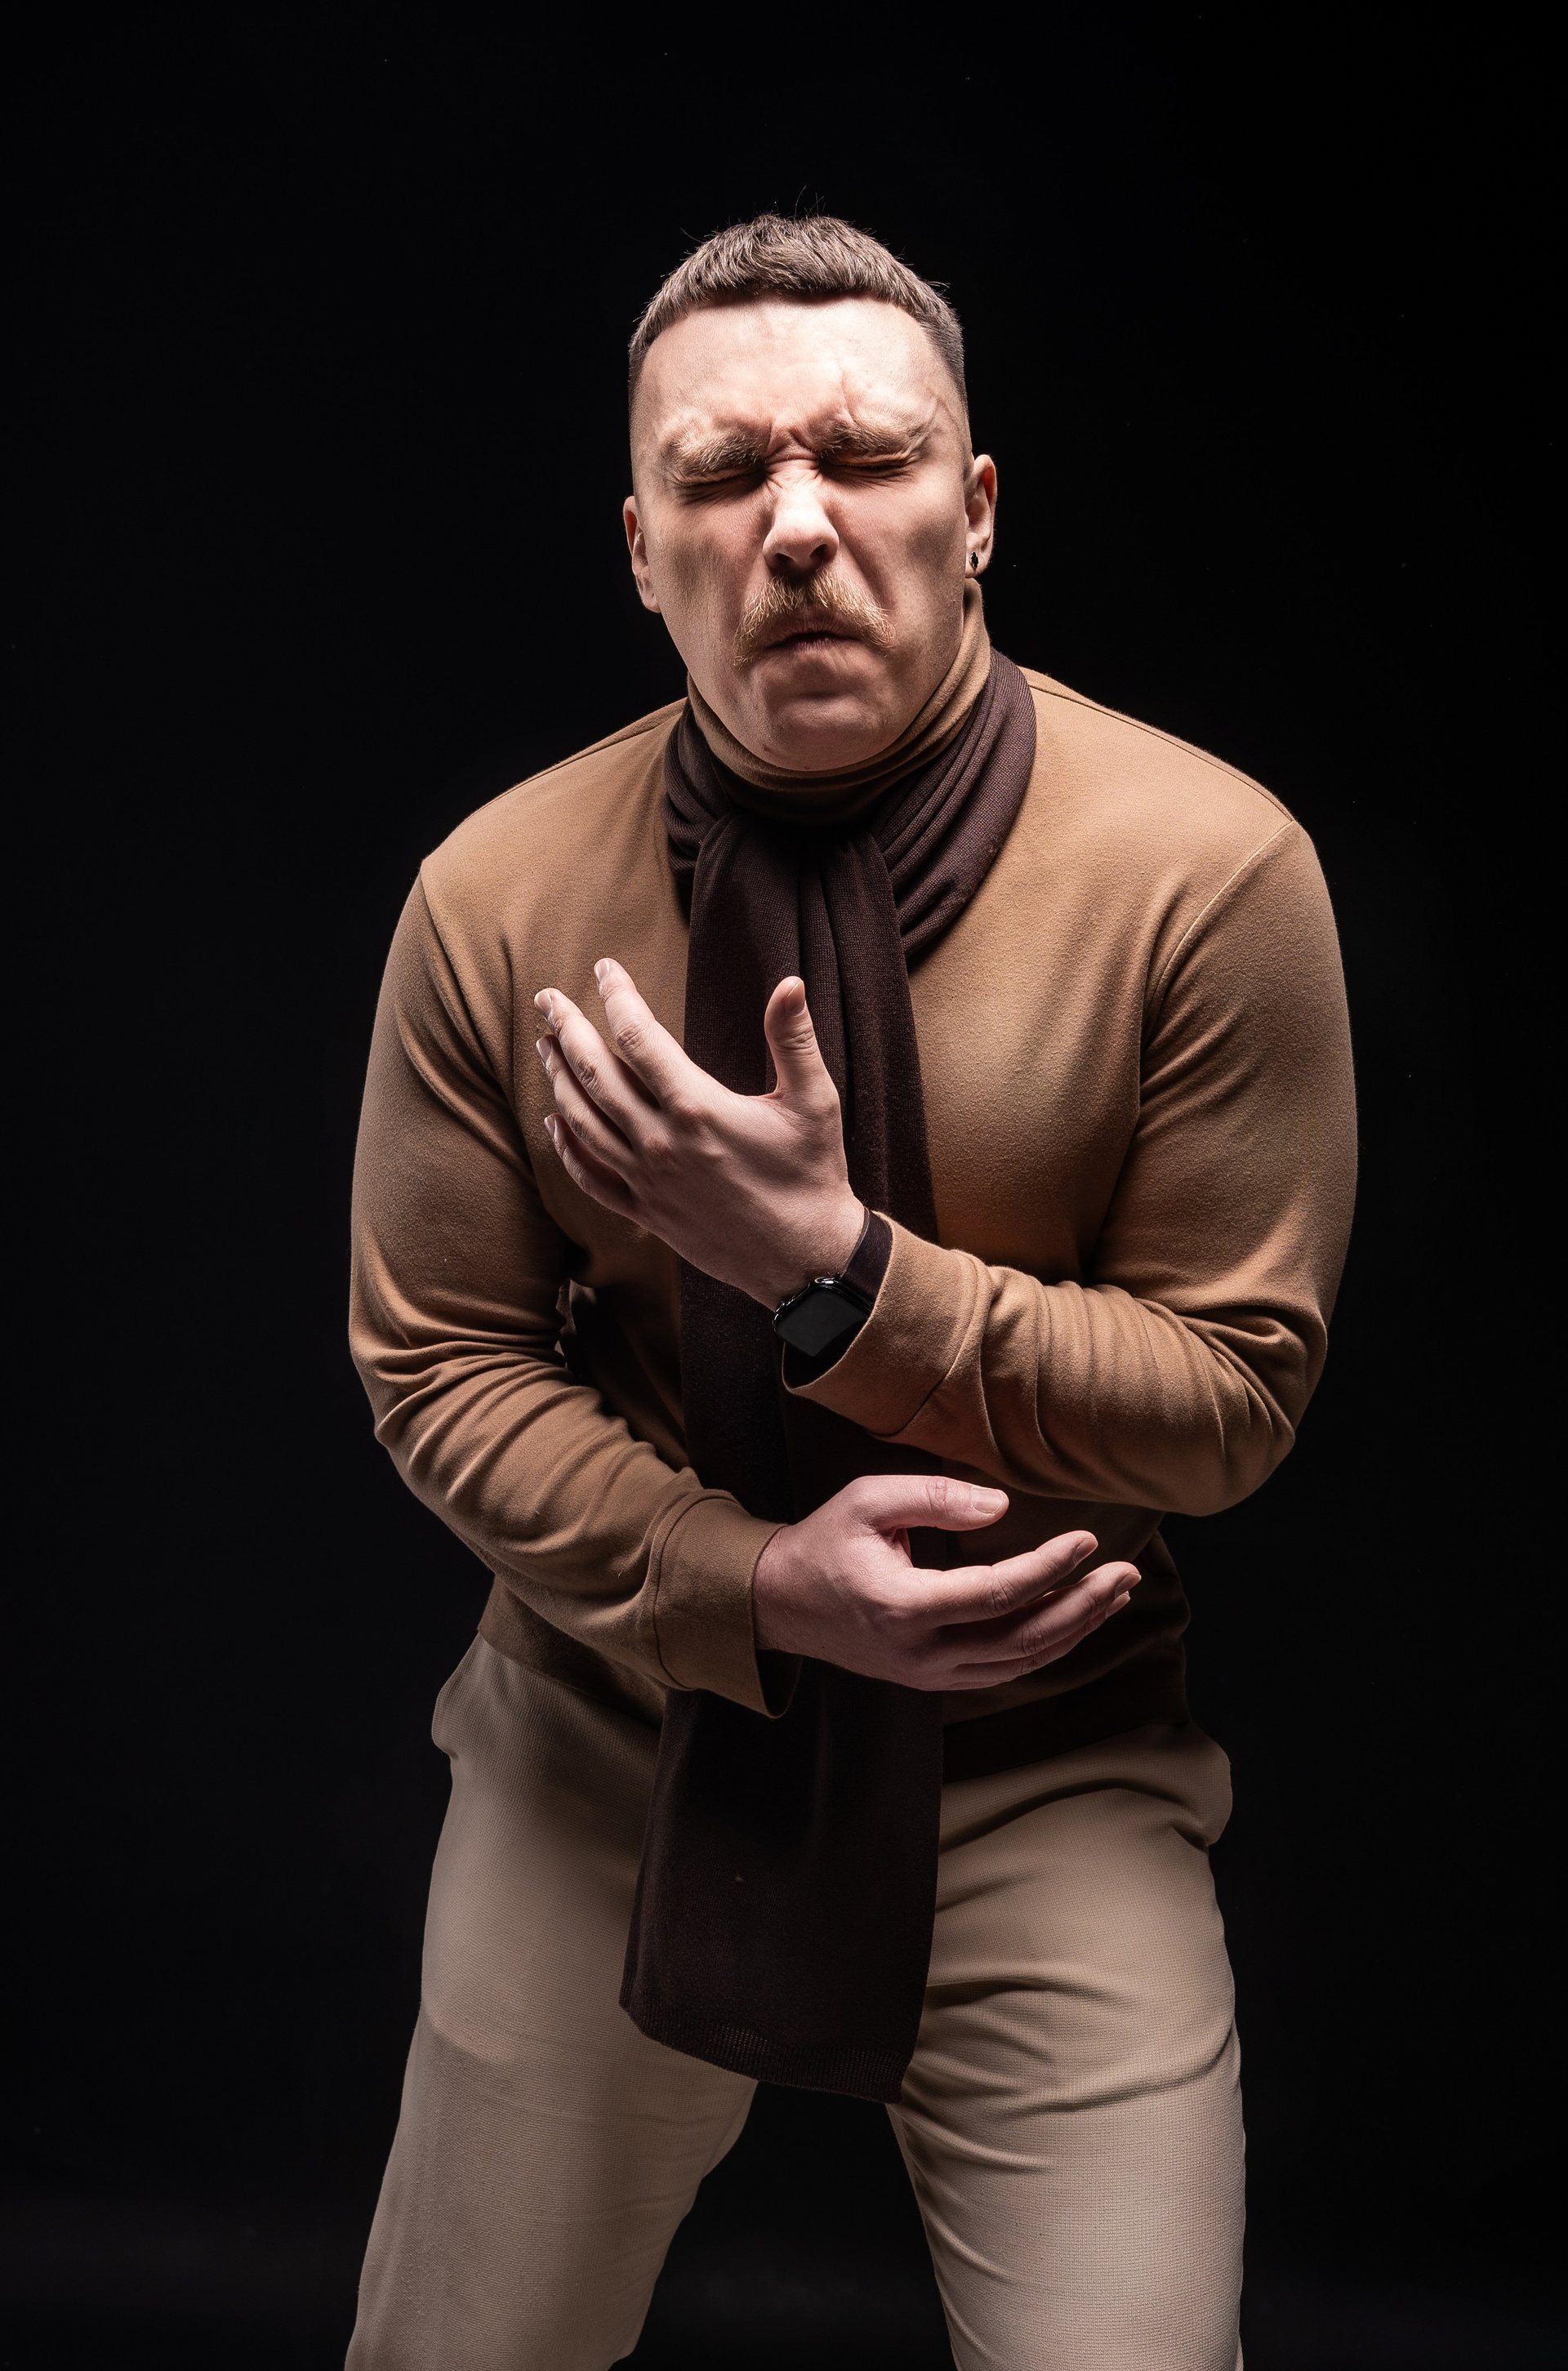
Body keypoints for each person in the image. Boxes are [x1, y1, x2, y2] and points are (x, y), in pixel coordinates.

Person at [345, 214, 1355, 2370]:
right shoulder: (493, 896)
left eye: (867, 459)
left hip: (1042, 1747)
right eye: (722, 478)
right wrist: (754, 1588)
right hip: (614, 1731)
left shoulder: (1211, 874)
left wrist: (838, 1275)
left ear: (973, 511)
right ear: (644, 549)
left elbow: (1229, 1400)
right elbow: (438, 1364)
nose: (796, 525)